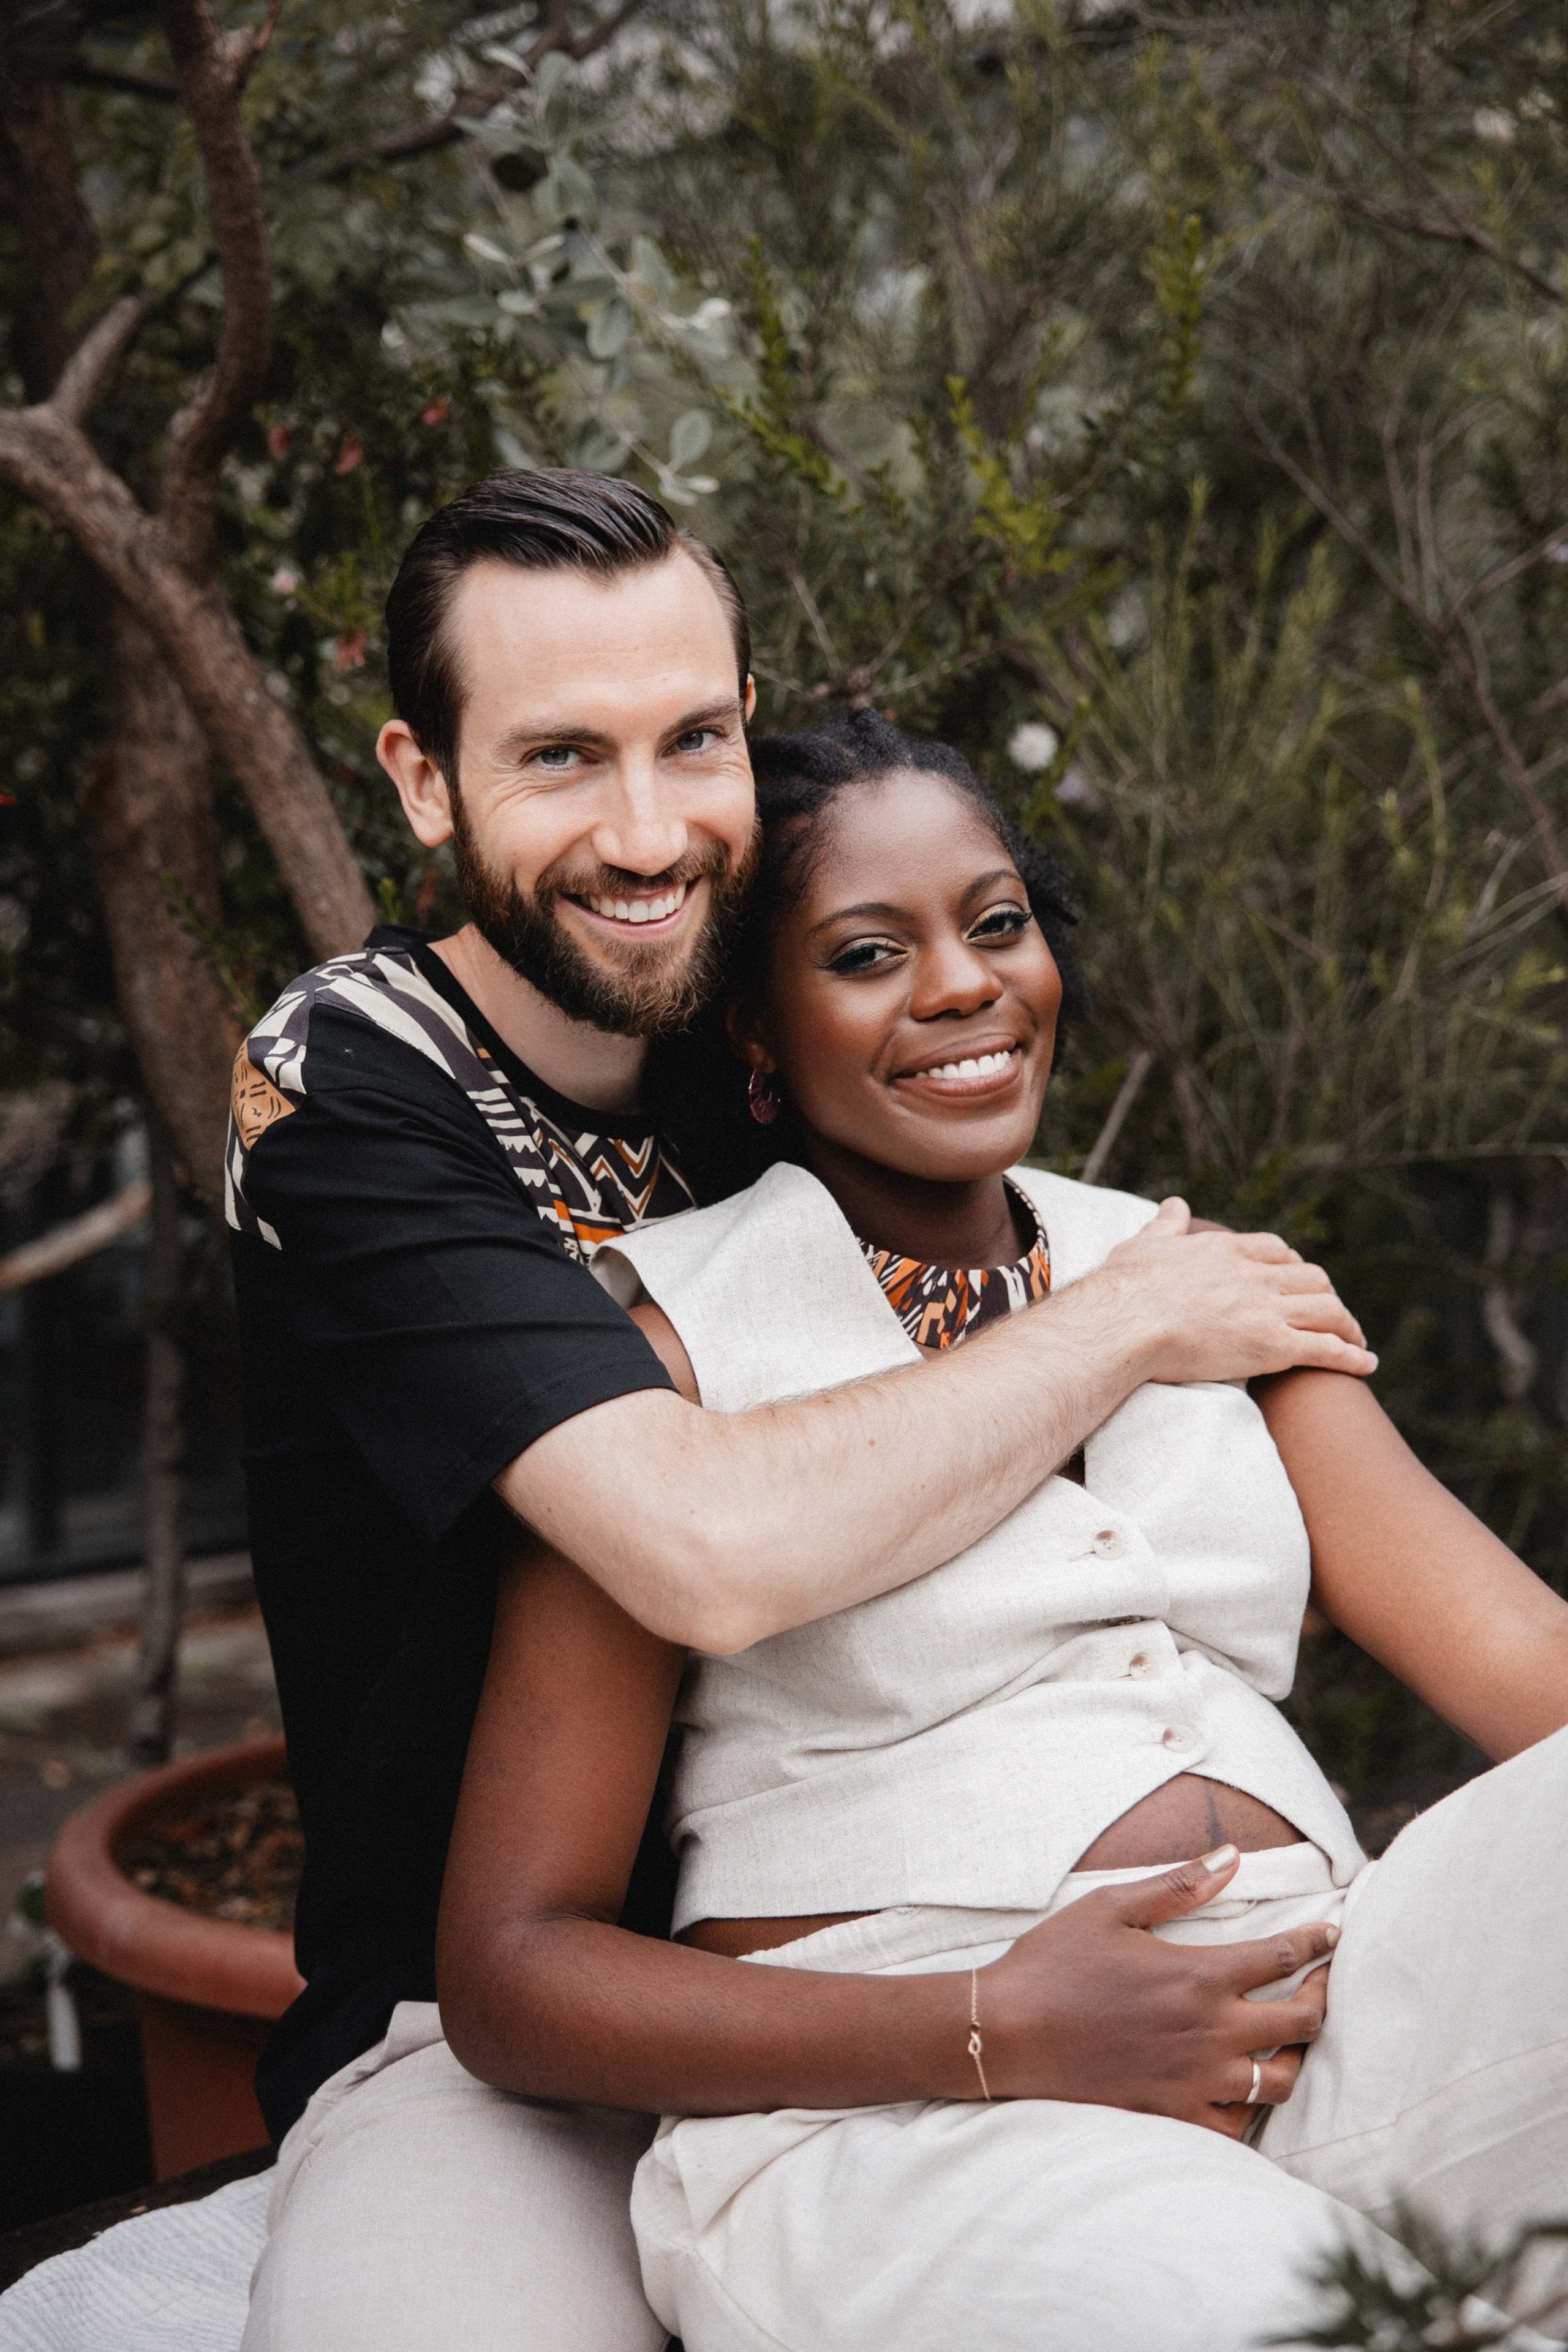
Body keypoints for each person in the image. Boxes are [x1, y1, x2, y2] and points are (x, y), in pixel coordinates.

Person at [230, 469, 1373, 2350]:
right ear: (425, 785)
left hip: (878, 1901)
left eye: (695, 740)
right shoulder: (352, 1092)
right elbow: (709, 1544)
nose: (649, 828)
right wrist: (1127, 1323)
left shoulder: (756, 1009)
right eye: (560, 759)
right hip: (494, 2032)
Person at [437, 712, 1568, 2352]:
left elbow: (1528, 1662)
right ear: (758, 1021)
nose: (963, 985)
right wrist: (994, 2027)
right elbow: (513, 1972)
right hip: (913, 2133)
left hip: (1333, 2038)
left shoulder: (1197, 1279)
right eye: (867, 951)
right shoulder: (668, 1357)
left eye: (997, 923)